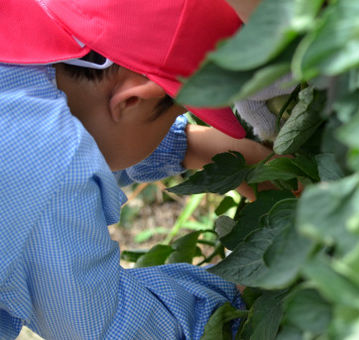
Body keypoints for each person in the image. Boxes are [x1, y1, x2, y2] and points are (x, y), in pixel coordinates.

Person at [0, 0, 269, 338]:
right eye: (175, 114)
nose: (178, 119)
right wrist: (260, 273)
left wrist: (190, 144)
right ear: (131, 100)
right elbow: (116, 328)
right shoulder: (48, 162)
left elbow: (91, 130)